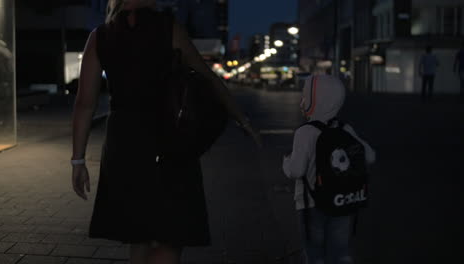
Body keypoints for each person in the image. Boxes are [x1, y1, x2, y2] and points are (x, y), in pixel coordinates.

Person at [71, 0, 261, 264]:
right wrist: (242, 119)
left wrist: (78, 160)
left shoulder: (100, 36)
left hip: (123, 143)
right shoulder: (168, 28)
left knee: (137, 234)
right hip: (168, 139)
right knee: (173, 235)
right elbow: (208, 78)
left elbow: (84, 103)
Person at [282, 75, 376, 264]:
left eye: (305, 97)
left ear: (313, 100)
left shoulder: (305, 132)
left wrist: (286, 161)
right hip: (342, 201)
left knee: (315, 252)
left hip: (310, 204)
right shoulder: (345, 128)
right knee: (340, 250)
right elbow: (370, 156)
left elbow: (296, 171)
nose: (302, 102)